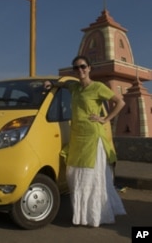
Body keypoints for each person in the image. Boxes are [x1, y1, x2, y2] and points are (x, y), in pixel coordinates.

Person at [44, 55, 126, 227]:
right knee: (75, 176)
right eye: (76, 68)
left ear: (89, 68)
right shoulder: (74, 87)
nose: (79, 70)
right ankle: (81, 216)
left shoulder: (97, 87)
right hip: (77, 138)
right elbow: (62, 83)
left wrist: (105, 118)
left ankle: (95, 216)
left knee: (91, 177)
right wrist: (51, 84)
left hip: (93, 138)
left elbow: (120, 102)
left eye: (82, 66)